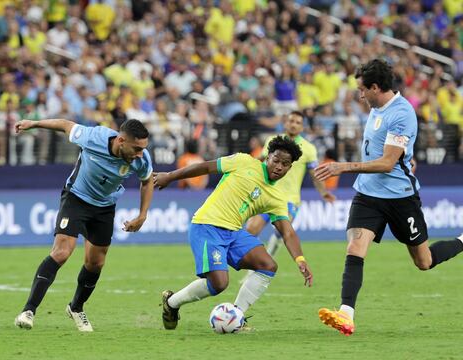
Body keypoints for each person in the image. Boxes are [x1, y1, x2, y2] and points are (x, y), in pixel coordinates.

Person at [315, 59, 463, 336]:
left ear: (375, 87)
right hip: (368, 194)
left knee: (424, 261)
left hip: (399, 197)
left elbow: (386, 163)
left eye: (362, 89)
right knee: (354, 248)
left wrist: (343, 166)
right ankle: (346, 314)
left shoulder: (402, 113)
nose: (359, 95)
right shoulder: (376, 107)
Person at [153, 136, 313, 330]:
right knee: (219, 284)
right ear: (268, 156)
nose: (279, 166)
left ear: (290, 168)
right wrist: (170, 176)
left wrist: (300, 259)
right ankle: (171, 303)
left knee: (267, 265)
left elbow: (287, 232)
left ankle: (236, 317)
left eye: (285, 164)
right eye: (276, 160)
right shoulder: (243, 161)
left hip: (234, 233)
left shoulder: (277, 198)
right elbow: (205, 167)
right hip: (207, 226)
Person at [14, 118, 154, 332]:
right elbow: (64, 125)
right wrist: (34, 124)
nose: (140, 154)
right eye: (136, 148)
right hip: (76, 198)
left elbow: (147, 181)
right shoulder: (94, 137)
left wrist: (142, 215)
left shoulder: (141, 159)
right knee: (62, 251)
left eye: (143, 149)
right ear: (121, 140)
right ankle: (28, 310)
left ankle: (76, 308)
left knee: (96, 263)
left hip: (105, 207)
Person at [246, 111, 336, 258]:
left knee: (282, 232)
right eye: (291, 121)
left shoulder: (308, 149)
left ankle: (266, 262)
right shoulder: (272, 141)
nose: (294, 124)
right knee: (251, 229)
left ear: (302, 127)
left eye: (298, 122)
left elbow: (315, 174)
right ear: (285, 123)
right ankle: (256, 262)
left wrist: (323, 192)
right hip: (265, 194)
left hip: (289, 199)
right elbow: (259, 162)